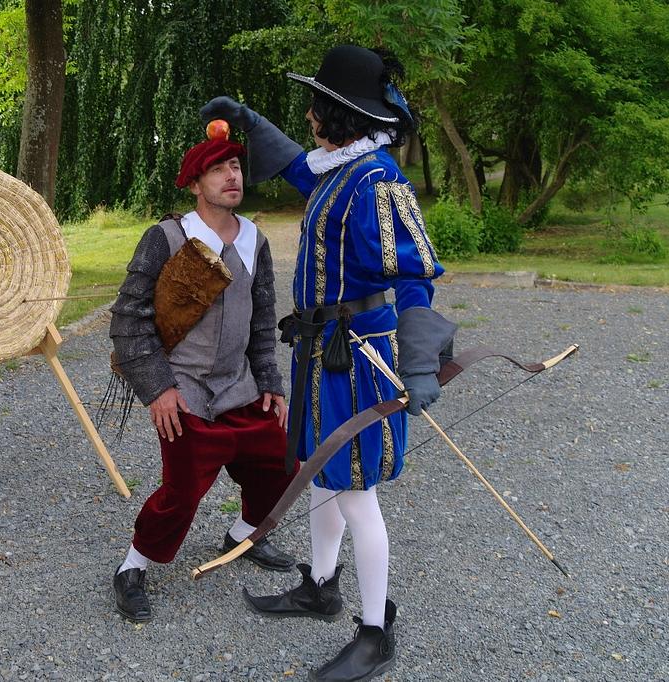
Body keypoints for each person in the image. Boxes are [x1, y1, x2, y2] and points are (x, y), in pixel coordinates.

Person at [201, 45, 456, 681]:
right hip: (322, 350)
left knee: (355, 492)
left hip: (360, 356)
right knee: (320, 471)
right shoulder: (340, 169)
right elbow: (297, 166)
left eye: (317, 105)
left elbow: (414, 277)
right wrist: (248, 120)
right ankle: (320, 586)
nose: (310, 115)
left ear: (339, 115)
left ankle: (375, 633)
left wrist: (419, 363)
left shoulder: (377, 182)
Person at [108, 135, 299, 623]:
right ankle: (132, 567)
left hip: (241, 385)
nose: (232, 175)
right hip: (185, 389)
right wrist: (159, 389)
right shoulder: (167, 238)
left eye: (235, 165)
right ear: (195, 184)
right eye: (218, 169)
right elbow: (128, 319)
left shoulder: (254, 239)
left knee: (280, 465)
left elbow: (261, 321)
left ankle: (243, 534)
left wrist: (271, 383)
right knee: (183, 492)